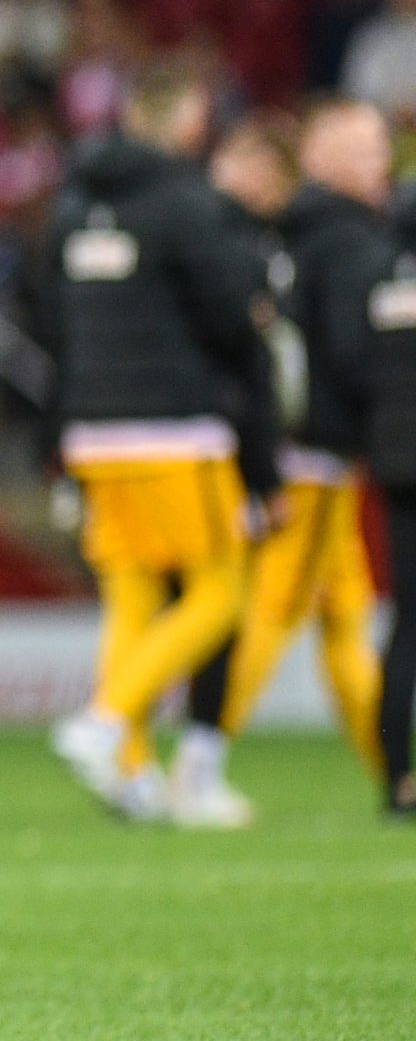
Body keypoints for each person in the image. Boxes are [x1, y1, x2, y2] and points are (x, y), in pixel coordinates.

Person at [44, 65, 280, 819]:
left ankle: (134, 772)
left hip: (92, 427)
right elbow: (228, 315)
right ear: (184, 125)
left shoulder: (72, 205)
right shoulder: (186, 203)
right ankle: (106, 720)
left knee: (134, 596)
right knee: (221, 589)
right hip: (175, 428)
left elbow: (49, 316)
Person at [175, 105, 388, 824]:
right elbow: (351, 354)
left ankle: (396, 768)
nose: (380, 163)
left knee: (344, 620)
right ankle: (197, 759)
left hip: (296, 444)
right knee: (271, 610)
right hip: (319, 455)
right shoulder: (351, 239)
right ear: (320, 156)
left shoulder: (286, 234)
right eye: (364, 148)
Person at [362, 178, 416, 817]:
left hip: (397, 460)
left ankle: (398, 778)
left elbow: (351, 360)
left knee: (406, 625)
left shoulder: (375, 270)